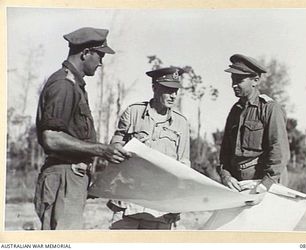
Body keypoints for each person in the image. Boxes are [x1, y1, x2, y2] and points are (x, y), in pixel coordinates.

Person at [34, 27, 131, 230]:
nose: (101, 63)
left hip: (70, 179)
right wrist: (102, 150)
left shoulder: (74, 85)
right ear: (86, 53)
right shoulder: (64, 85)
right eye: (100, 55)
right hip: (63, 179)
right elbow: (51, 138)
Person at [108, 66, 190, 230]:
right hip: (129, 200)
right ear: (154, 88)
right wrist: (121, 149)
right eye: (168, 90)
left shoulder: (181, 123)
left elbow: (183, 165)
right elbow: (115, 146)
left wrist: (177, 203)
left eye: (176, 91)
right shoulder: (133, 113)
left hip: (160, 204)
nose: (173, 95)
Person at [218, 54, 290, 198]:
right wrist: (226, 176)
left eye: (239, 80)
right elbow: (225, 153)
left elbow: (279, 150)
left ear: (255, 81)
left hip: (264, 183)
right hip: (239, 184)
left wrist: (266, 183)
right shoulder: (235, 111)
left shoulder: (269, 108)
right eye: (232, 80)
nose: (233, 85)